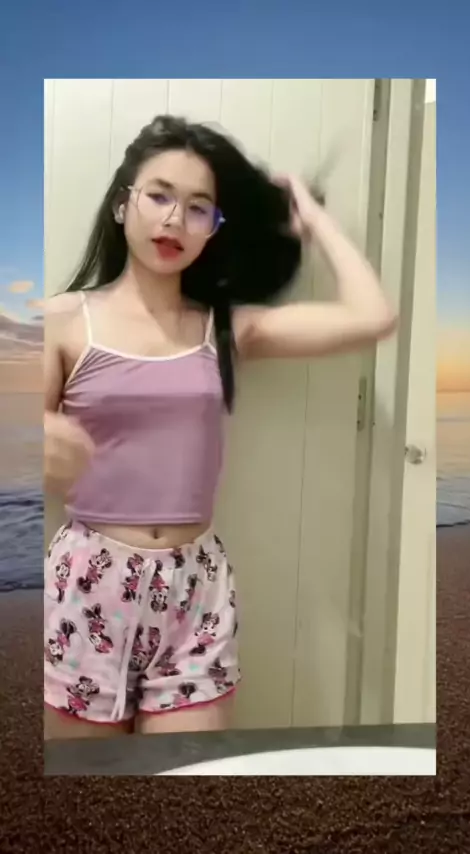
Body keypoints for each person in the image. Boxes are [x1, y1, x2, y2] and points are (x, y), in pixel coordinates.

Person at [44, 115, 396, 740]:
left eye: (198, 207)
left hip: (195, 590)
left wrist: (313, 217)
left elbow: (374, 316)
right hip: (88, 587)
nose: (175, 220)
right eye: (159, 196)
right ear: (123, 204)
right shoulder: (61, 322)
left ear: (214, 227)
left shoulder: (228, 328)